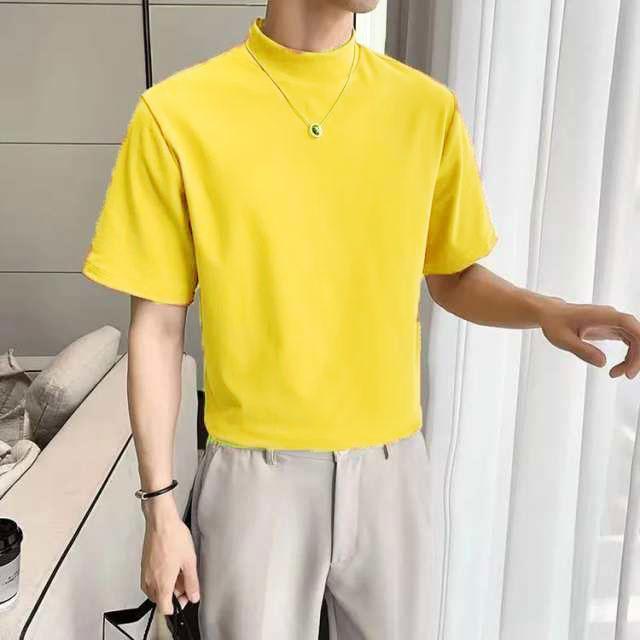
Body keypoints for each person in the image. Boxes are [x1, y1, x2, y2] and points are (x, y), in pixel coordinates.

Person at [81, 0, 640, 637]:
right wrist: (159, 510)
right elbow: (158, 326)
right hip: (255, 480)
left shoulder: (425, 110)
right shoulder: (176, 115)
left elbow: (451, 275)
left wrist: (547, 311)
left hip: (391, 472)